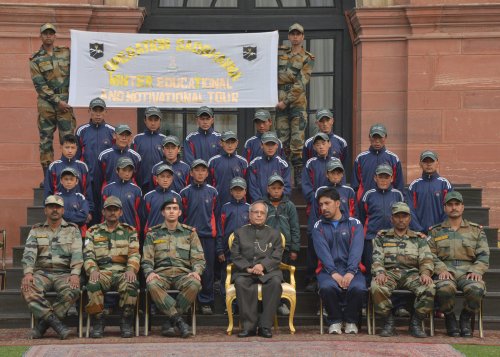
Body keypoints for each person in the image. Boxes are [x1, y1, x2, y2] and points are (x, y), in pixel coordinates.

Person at [142, 196, 206, 338]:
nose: (171, 211)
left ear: (180, 213)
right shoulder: (153, 233)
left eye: (175, 209)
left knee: (195, 283)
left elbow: (198, 258)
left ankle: (170, 321)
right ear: (162, 213)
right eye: (168, 209)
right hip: (161, 274)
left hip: (183, 274)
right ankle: (179, 321)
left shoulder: (190, 233)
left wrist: (196, 271)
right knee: (152, 284)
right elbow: (146, 259)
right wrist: (150, 272)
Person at [428, 191, 490, 337]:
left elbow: (484, 254)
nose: (453, 207)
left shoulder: (476, 230)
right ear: (445, 208)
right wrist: (441, 269)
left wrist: (476, 270)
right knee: (443, 288)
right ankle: (449, 318)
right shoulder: (436, 231)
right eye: (450, 204)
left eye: (457, 204)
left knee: (476, 289)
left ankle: (465, 317)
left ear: (462, 207)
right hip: (446, 270)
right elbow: (429, 254)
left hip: (468, 271)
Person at [21, 195, 82, 340]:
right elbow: (29, 253)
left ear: (63, 210)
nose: (54, 210)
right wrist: (28, 273)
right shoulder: (36, 230)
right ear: (45, 210)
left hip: (64, 273)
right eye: (51, 207)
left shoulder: (72, 230)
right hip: (42, 273)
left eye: (58, 207)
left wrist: (75, 274)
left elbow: (77, 254)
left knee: (73, 289)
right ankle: (56, 324)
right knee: (28, 288)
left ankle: (42, 325)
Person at [371, 202, 435, 338]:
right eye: (397, 216)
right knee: (376, 287)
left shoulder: (419, 239)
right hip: (389, 274)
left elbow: (426, 259)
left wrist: (425, 273)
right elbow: (377, 259)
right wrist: (380, 272)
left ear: (409, 218)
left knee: (430, 288)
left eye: (404, 216)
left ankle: (415, 323)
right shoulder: (382, 237)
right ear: (391, 218)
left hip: (412, 274)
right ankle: (388, 322)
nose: (401, 219)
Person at [83, 196, 140, 338]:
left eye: (115, 210)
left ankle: (126, 321)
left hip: (122, 272)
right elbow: (88, 254)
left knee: (131, 283)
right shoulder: (93, 231)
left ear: (121, 212)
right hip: (102, 272)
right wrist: (93, 270)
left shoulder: (130, 231)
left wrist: (131, 269)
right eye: (109, 210)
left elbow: (134, 253)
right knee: (93, 283)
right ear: (103, 212)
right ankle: (98, 321)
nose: (112, 213)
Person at [312, 187, 365, 335]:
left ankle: (351, 321)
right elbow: (323, 253)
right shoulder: (319, 226)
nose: (323, 208)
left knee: (359, 288)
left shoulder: (355, 224)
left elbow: (356, 250)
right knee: (328, 287)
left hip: (352, 269)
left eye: (327, 203)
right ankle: (335, 321)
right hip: (327, 270)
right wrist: (333, 272)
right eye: (321, 204)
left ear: (337, 203)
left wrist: (350, 272)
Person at [230, 201, 283, 338]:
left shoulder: (275, 234)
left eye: (262, 213)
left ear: (266, 216)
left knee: (276, 283)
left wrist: (262, 266)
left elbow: (277, 255)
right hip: (245, 271)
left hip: (268, 272)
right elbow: (235, 255)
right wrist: (248, 268)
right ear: (250, 214)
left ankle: (265, 326)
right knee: (241, 283)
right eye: (255, 212)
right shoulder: (240, 233)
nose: (259, 215)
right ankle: (249, 327)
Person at [30, 23, 75, 183]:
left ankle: (68, 173)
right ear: (41, 36)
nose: (48, 36)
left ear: (55, 36)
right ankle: (48, 177)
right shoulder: (36, 59)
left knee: (68, 139)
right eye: (45, 33)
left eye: (51, 33)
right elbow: (40, 86)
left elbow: (79, 69)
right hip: (47, 105)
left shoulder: (66, 53)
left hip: (65, 103)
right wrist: (58, 102)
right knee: (46, 141)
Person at [305, 159, 356, 293]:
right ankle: (314, 280)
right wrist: (313, 230)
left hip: (344, 230)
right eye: (332, 173)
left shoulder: (349, 191)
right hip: (323, 229)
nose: (335, 176)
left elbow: (353, 212)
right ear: (327, 174)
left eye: (338, 173)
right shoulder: (320, 190)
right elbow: (316, 212)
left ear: (342, 175)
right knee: (318, 256)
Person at [275, 23, 315, 187]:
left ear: (302, 37)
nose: (296, 37)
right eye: (293, 34)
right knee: (282, 141)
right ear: (290, 37)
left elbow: (300, 83)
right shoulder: (281, 54)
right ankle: (283, 174)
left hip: (296, 103)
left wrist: (286, 100)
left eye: (298, 34)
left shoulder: (308, 58)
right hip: (280, 102)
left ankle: (298, 176)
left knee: (297, 143)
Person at [180, 159, 218, 315]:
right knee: (187, 269)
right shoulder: (184, 192)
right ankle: (188, 300)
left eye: (203, 170)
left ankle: (206, 301)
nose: (200, 173)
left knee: (207, 270)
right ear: (191, 173)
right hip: (189, 237)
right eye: (197, 170)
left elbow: (215, 214)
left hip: (208, 237)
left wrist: (216, 236)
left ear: (207, 173)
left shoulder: (213, 192)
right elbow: (182, 216)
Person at [263, 174, 300, 316]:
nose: (276, 191)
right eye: (273, 188)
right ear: (268, 189)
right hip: (266, 249)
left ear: (283, 189)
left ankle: (282, 302)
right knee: (268, 275)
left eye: (279, 188)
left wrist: (295, 248)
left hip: (285, 248)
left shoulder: (289, 206)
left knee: (282, 274)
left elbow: (295, 227)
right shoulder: (263, 205)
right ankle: (269, 303)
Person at [75, 97, 115, 222]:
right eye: (95, 110)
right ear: (89, 111)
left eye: (100, 110)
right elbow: (76, 157)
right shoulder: (81, 131)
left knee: (106, 207)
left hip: (106, 178)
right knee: (89, 209)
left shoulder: (112, 131)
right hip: (87, 177)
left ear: (105, 112)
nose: (98, 114)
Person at [352, 123, 404, 205]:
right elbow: (355, 186)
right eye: (374, 137)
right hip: (364, 204)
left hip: (389, 204)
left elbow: (399, 186)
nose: (377, 141)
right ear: (369, 137)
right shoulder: (360, 158)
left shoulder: (393, 159)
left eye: (380, 137)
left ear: (385, 137)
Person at [44, 134, 93, 219]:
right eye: (67, 147)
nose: (70, 151)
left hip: (79, 211)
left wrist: (90, 211)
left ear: (77, 148)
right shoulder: (54, 166)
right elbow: (48, 191)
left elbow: (88, 191)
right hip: (57, 211)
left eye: (72, 147)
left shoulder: (82, 167)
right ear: (61, 147)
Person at [216, 177, 250, 299]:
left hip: (244, 249)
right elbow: (220, 228)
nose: (238, 192)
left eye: (240, 190)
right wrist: (220, 249)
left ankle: (239, 303)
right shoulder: (225, 207)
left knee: (242, 274)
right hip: (227, 248)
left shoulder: (249, 208)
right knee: (226, 274)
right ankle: (227, 301)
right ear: (231, 191)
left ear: (245, 191)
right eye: (235, 190)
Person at [407, 150, 453, 233]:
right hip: (419, 235)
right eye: (425, 161)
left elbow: (449, 209)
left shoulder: (445, 184)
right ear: (420, 164)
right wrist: (418, 231)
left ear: (437, 163)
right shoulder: (414, 185)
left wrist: (440, 229)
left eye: (431, 161)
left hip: (441, 233)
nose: (428, 164)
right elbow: (410, 211)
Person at [208, 130, 248, 212]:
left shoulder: (243, 162)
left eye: (232, 142)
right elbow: (209, 183)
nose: (230, 145)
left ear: (237, 143)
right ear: (221, 143)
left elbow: (246, 183)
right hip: (218, 202)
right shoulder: (213, 161)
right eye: (227, 142)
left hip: (238, 203)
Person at [97, 124, 141, 195]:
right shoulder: (104, 156)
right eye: (121, 135)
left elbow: (137, 178)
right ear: (114, 135)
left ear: (130, 137)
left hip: (129, 194)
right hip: (109, 194)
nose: (124, 138)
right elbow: (99, 179)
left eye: (126, 135)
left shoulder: (136, 157)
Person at [248, 131, 291, 202]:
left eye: (273, 144)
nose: (270, 148)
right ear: (261, 145)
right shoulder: (254, 164)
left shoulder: (283, 165)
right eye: (267, 144)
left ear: (277, 145)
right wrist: (260, 203)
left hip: (278, 205)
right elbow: (253, 187)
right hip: (259, 206)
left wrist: (277, 202)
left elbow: (287, 187)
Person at [101, 157, 142, 231]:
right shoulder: (107, 189)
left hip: (129, 229)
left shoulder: (137, 190)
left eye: (130, 171)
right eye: (124, 170)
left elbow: (138, 213)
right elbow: (103, 212)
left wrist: (137, 231)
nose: (127, 173)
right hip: (110, 229)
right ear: (117, 170)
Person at [132, 106, 167, 193]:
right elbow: (132, 161)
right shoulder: (137, 139)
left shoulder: (165, 140)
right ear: (145, 120)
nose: (153, 123)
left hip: (160, 182)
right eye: (150, 120)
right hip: (141, 181)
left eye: (156, 120)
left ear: (160, 121)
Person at [142, 164, 181, 235]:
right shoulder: (148, 196)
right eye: (162, 176)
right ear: (156, 179)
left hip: (172, 237)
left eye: (168, 177)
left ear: (172, 179)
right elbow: (143, 219)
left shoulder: (177, 197)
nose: (165, 180)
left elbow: (180, 219)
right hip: (153, 236)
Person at [302, 132, 338, 205]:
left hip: (333, 204)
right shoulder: (310, 164)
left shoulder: (336, 162)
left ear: (329, 144)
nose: (321, 147)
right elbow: (306, 185)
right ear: (314, 147)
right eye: (318, 145)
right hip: (315, 203)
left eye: (323, 143)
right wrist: (314, 199)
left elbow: (341, 183)